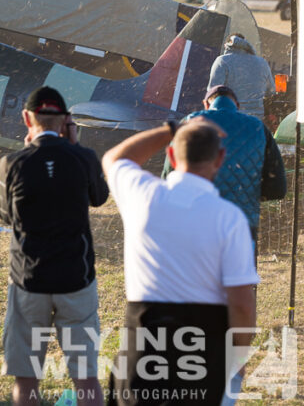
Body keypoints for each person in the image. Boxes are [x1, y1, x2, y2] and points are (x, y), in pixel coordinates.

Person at [101, 118, 257, 406]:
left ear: (171, 155)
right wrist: (238, 357)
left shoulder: (142, 195)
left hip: (142, 345)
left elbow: (115, 158)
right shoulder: (229, 218)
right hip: (202, 353)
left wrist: (170, 129)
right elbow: (242, 303)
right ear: (220, 158)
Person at [0, 87, 109, 406]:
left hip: (29, 280)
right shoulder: (83, 157)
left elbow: (5, 214)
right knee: (86, 377)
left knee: (27, 378)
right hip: (76, 278)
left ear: (26, 118)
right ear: (65, 121)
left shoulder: (12, 162)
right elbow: (99, 197)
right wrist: (75, 147)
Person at [163, 85, 286, 248]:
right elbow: (277, 188)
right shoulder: (258, 127)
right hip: (242, 225)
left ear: (206, 104)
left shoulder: (191, 122)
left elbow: (168, 178)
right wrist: (248, 193)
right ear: (237, 106)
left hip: (195, 222)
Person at [208, 33, 275, 121]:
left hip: (230, 119)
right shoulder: (262, 62)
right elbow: (271, 91)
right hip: (255, 121)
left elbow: (213, 92)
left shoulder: (222, 61)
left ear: (226, 45)